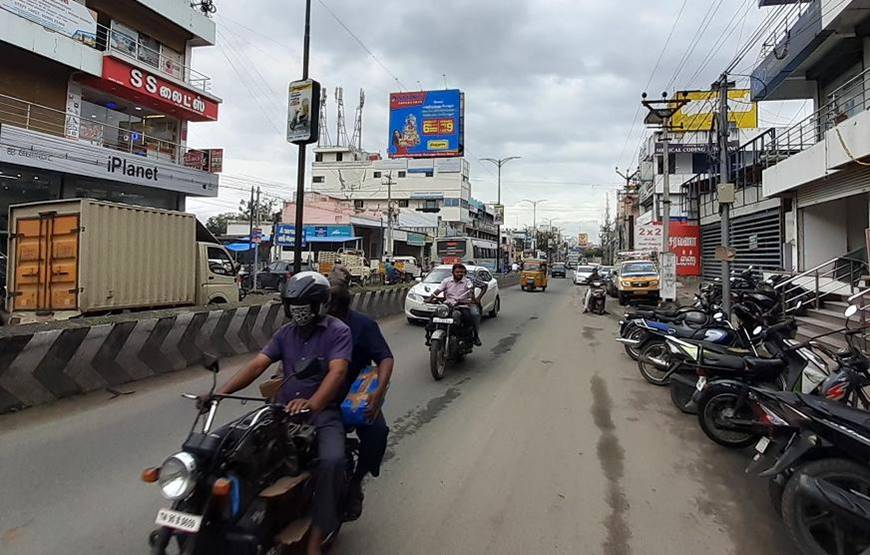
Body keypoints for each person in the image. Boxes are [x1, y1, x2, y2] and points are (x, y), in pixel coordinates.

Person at [207, 272, 351, 555]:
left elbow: (338, 371)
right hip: (281, 411)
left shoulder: (337, 331)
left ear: (319, 305)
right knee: (224, 443)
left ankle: (315, 539)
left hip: (322, 415)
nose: (298, 310)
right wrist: (221, 392)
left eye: (304, 304)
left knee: (332, 463)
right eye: (293, 304)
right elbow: (257, 365)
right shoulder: (284, 334)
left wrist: (313, 402)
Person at [327, 282, 394, 520]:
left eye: (331, 304)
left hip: (352, 397)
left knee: (377, 433)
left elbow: (385, 357)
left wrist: (379, 390)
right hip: (317, 396)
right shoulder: (314, 323)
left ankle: (356, 481)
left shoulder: (363, 325)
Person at [426, 263, 487, 346]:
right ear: (453, 272)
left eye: (462, 272)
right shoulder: (446, 281)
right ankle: (429, 337)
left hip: (462, 305)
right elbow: (438, 290)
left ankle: (474, 336)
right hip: (448, 304)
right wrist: (430, 298)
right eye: (457, 272)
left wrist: (473, 297)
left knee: (472, 317)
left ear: (464, 273)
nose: (459, 274)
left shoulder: (468, 281)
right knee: (433, 317)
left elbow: (471, 289)